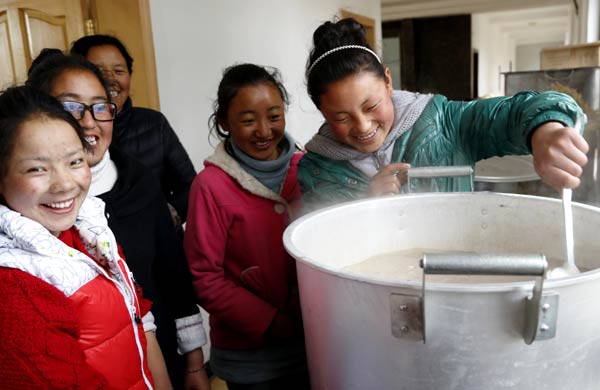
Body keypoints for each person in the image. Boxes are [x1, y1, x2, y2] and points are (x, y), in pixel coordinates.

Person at [27, 52, 210, 390]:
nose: (88, 122)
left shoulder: (138, 179)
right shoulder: (31, 205)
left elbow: (171, 273)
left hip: (157, 358)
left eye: (101, 106)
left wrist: (195, 362)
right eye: (70, 106)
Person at [298, 18, 590, 210]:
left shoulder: (445, 121)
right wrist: (367, 202)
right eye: (341, 117)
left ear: (388, 81)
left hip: (456, 272)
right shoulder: (316, 169)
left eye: (371, 106)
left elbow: (514, 113)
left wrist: (546, 129)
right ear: (322, 111)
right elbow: (327, 244)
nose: (362, 126)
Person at [0, 85, 163, 388]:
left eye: (75, 161)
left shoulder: (87, 226)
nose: (64, 184)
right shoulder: (13, 289)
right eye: (37, 168)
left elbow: (137, 317)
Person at [183, 63, 309, 390]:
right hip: (250, 359)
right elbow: (204, 276)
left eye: (274, 115)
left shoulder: (309, 169)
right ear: (225, 122)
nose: (265, 131)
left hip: (311, 341)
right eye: (248, 120)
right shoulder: (211, 186)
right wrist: (271, 322)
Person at [70, 34, 196, 223]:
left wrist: (162, 218)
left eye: (119, 71)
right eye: (98, 70)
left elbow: (189, 187)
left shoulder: (154, 123)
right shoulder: (67, 132)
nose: (110, 79)